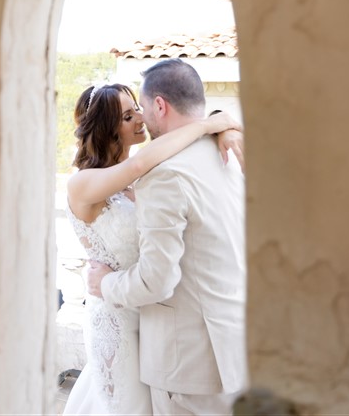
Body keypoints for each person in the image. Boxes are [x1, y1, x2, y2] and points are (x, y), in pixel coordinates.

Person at [63, 81, 243, 416]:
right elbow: (138, 164)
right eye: (128, 116)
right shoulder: (82, 184)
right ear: (106, 129)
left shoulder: (136, 179)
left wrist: (223, 124)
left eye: (137, 110)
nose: (140, 119)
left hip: (150, 317)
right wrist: (207, 125)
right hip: (116, 318)